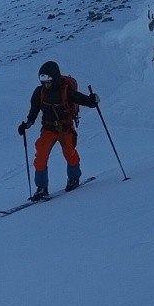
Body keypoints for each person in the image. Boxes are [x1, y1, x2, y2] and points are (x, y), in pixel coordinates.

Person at [18, 60, 100, 201]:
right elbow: (34, 110)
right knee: (41, 157)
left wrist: (92, 100)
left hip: (65, 128)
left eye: (48, 80)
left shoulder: (66, 90)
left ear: (55, 78)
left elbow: (81, 99)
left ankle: (73, 179)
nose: (46, 83)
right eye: (43, 80)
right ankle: (42, 188)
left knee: (70, 153)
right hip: (48, 129)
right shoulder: (39, 92)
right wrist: (27, 124)